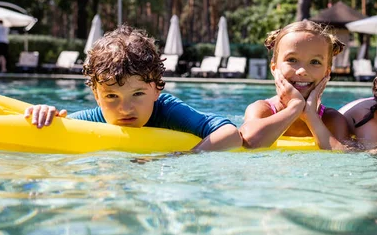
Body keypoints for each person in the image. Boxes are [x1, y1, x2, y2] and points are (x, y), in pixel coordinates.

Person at [24, 25, 243, 152]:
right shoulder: (92, 118)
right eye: (111, 96)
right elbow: (62, 128)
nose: (125, 108)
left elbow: (231, 134)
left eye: (137, 94)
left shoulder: (167, 111)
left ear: (157, 89)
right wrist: (45, 116)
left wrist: (189, 156)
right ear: (96, 96)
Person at [239, 21, 351, 150]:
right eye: (292, 60)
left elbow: (344, 156)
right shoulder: (263, 110)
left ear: (327, 73)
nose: (302, 71)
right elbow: (249, 143)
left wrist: (310, 116)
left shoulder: (332, 120)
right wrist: (294, 108)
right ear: (274, 68)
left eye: (315, 62)